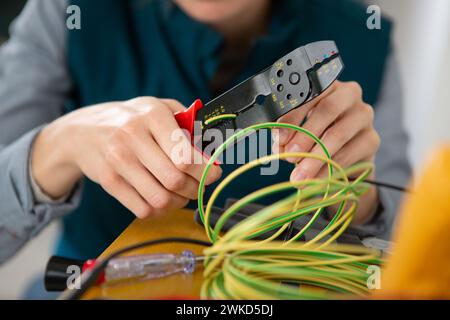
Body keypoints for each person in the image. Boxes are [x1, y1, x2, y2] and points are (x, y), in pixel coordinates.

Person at [0, 0, 410, 267]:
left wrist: (360, 199)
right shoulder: (64, 12)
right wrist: (58, 146)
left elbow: (411, 254)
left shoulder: (365, 38)